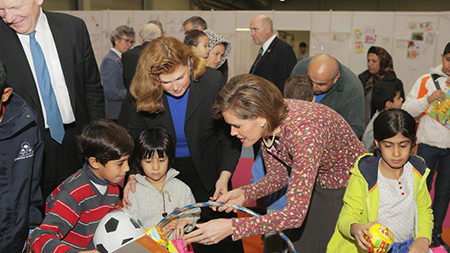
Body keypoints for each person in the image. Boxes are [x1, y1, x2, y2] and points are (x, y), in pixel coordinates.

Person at [184, 74, 365, 253]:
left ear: (260, 118)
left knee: (314, 246)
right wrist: (244, 194)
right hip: (320, 180)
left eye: (237, 125)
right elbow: (278, 177)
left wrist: (233, 227)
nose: (232, 133)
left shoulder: (305, 133)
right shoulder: (270, 122)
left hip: (347, 184)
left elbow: (294, 216)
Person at [123, 37, 243, 253]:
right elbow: (132, 135)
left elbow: (228, 135)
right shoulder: (143, 89)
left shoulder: (212, 81)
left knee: (220, 238)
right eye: (166, 82)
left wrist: (224, 176)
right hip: (165, 174)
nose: (175, 86)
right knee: (175, 238)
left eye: (180, 77)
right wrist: (131, 173)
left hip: (210, 171)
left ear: (189, 64)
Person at [0, 0, 105, 201]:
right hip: (26, 145)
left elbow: (91, 87)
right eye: (1, 10)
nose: (9, 18)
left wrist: (100, 136)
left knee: (81, 205)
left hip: (78, 139)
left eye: (14, 8)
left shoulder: (73, 28)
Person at [327, 109, 433, 253]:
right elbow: (347, 216)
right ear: (377, 143)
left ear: (412, 143)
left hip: (407, 246)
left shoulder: (417, 171)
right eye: (388, 145)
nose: (396, 153)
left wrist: (423, 239)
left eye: (403, 145)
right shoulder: (365, 174)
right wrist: (355, 228)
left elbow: (423, 210)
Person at [30, 119, 133, 252]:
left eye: (127, 161)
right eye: (120, 163)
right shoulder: (73, 194)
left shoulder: (112, 185)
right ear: (95, 162)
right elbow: (40, 238)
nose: (127, 168)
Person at [250, 75, 315, 253]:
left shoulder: (271, 132)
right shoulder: (311, 134)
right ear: (313, 100)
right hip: (304, 210)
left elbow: (257, 176)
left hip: (276, 208)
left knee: (273, 247)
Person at [402, 42, 450, 250]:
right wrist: (428, 99)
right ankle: (414, 231)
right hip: (427, 146)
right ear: (442, 56)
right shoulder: (426, 80)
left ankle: (435, 233)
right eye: (449, 59)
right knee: (421, 190)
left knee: (444, 193)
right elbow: (407, 109)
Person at [124, 127, 200, 239]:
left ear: (170, 159)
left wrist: (184, 222)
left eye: (161, 160)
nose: (155, 167)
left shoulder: (182, 188)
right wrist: (159, 232)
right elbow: (130, 229)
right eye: (148, 161)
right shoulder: (134, 192)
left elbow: (194, 212)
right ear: (139, 162)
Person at [0, 60, 43, 252]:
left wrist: (33, 228)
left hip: (14, 240)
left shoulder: (26, 125)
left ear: (5, 94)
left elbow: (33, 184)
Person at [291, 54, 365, 138]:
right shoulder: (300, 69)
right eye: (310, 81)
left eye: (321, 84)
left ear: (336, 78)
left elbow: (355, 130)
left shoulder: (352, 88)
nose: (313, 88)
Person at [249, 14, 297, 93]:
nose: (252, 34)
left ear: (268, 28)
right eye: (251, 30)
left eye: (255, 29)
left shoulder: (283, 50)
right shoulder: (264, 50)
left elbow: (287, 83)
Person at [358, 46, 405, 125]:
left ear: (383, 62)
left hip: (384, 125)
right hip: (362, 124)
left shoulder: (394, 83)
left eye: (374, 61)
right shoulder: (363, 79)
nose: (370, 64)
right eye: (368, 60)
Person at [101, 25, 135, 120]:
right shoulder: (110, 61)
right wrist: (132, 94)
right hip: (115, 113)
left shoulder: (120, 58)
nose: (130, 45)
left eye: (132, 42)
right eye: (127, 41)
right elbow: (110, 92)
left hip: (121, 112)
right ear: (116, 40)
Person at [362, 79, 404, 152]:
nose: (402, 100)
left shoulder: (384, 119)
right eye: (398, 98)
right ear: (388, 104)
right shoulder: (377, 127)